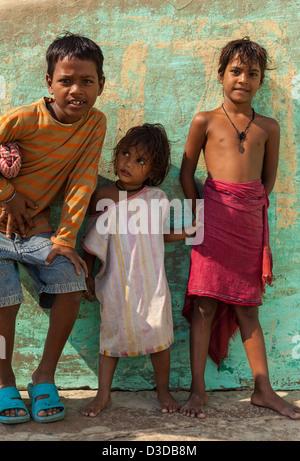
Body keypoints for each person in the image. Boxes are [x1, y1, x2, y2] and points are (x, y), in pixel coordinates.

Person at [179, 37, 300, 420]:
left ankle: (263, 390)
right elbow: (186, 173)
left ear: (260, 81)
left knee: (248, 310)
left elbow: (267, 182)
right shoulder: (206, 120)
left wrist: (245, 208)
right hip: (212, 222)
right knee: (204, 306)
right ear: (221, 75)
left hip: (249, 223)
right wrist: (201, 210)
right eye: (235, 71)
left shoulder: (269, 127)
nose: (243, 79)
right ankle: (198, 391)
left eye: (252, 74)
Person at [0, 32, 106, 424]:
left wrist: (65, 239)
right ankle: (2, 378)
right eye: (66, 81)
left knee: (71, 281)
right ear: (49, 83)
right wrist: (6, 194)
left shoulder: (94, 124)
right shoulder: (25, 118)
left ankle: (44, 375)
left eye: (87, 81)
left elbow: (82, 179)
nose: (76, 90)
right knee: (4, 299)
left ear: (101, 84)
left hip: (37, 232)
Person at [80, 123, 196, 417]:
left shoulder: (156, 198)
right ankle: (103, 394)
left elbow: (157, 234)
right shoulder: (102, 195)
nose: (127, 163)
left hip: (150, 280)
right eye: (125, 154)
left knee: (158, 334)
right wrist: (88, 276)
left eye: (139, 160)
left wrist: (185, 232)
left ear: (153, 170)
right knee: (111, 336)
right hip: (116, 281)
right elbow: (92, 240)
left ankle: (162, 390)